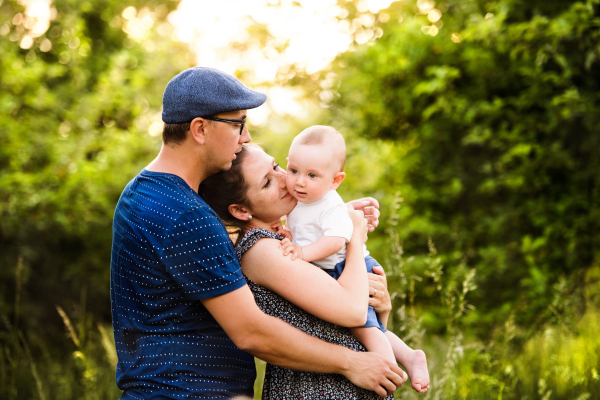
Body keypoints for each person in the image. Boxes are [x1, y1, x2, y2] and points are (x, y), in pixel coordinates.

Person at [110, 67, 405, 400]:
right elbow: (250, 331)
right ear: (200, 129)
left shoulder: (142, 193)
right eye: (238, 123)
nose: (245, 136)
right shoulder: (187, 214)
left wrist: (330, 220)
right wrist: (352, 363)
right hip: (188, 392)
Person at [199, 143, 408, 399]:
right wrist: (353, 237)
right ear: (242, 210)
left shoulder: (286, 240)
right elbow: (354, 312)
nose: (285, 178)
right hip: (316, 389)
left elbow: (339, 325)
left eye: (276, 166)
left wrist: (337, 218)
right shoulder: (263, 248)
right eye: (267, 182)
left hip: (344, 383)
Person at [280, 126, 430, 393]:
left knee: (364, 327)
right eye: (293, 171)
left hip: (347, 266)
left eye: (312, 175)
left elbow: (335, 241)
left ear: (335, 181)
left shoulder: (330, 205)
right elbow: (301, 228)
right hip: (333, 267)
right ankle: (408, 355)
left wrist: (302, 254)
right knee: (365, 325)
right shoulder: (300, 198)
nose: (299, 181)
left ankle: (389, 369)